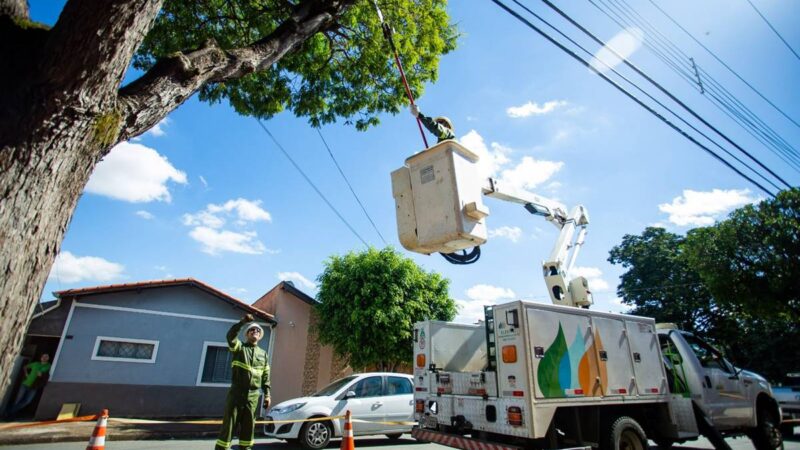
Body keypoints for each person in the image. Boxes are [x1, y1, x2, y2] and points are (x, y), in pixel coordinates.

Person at [215, 314, 270, 450]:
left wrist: (268, 394)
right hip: (236, 394)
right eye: (252, 330)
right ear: (247, 334)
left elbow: (266, 376)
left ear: (260, 335)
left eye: (258, 330)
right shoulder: (239, 348)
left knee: (248, 430)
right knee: (228, 429)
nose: (255, 332)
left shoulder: (263, 354)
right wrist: (243, 322)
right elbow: (230, 336)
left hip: (253, 397)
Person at [6, 353, 51, 419]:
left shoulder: (48, 365)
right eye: (43, 356)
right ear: (41, 357)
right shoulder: (36, 364)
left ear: (48, 359)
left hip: (34, 386)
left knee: (27, 401)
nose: (44, 357)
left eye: (46, 357)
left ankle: (9, 411)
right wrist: (26, 374)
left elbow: (43, 373)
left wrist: (42, 375)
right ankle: (10, 415)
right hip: (25, 384)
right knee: (18, 399)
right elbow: (25, 367)